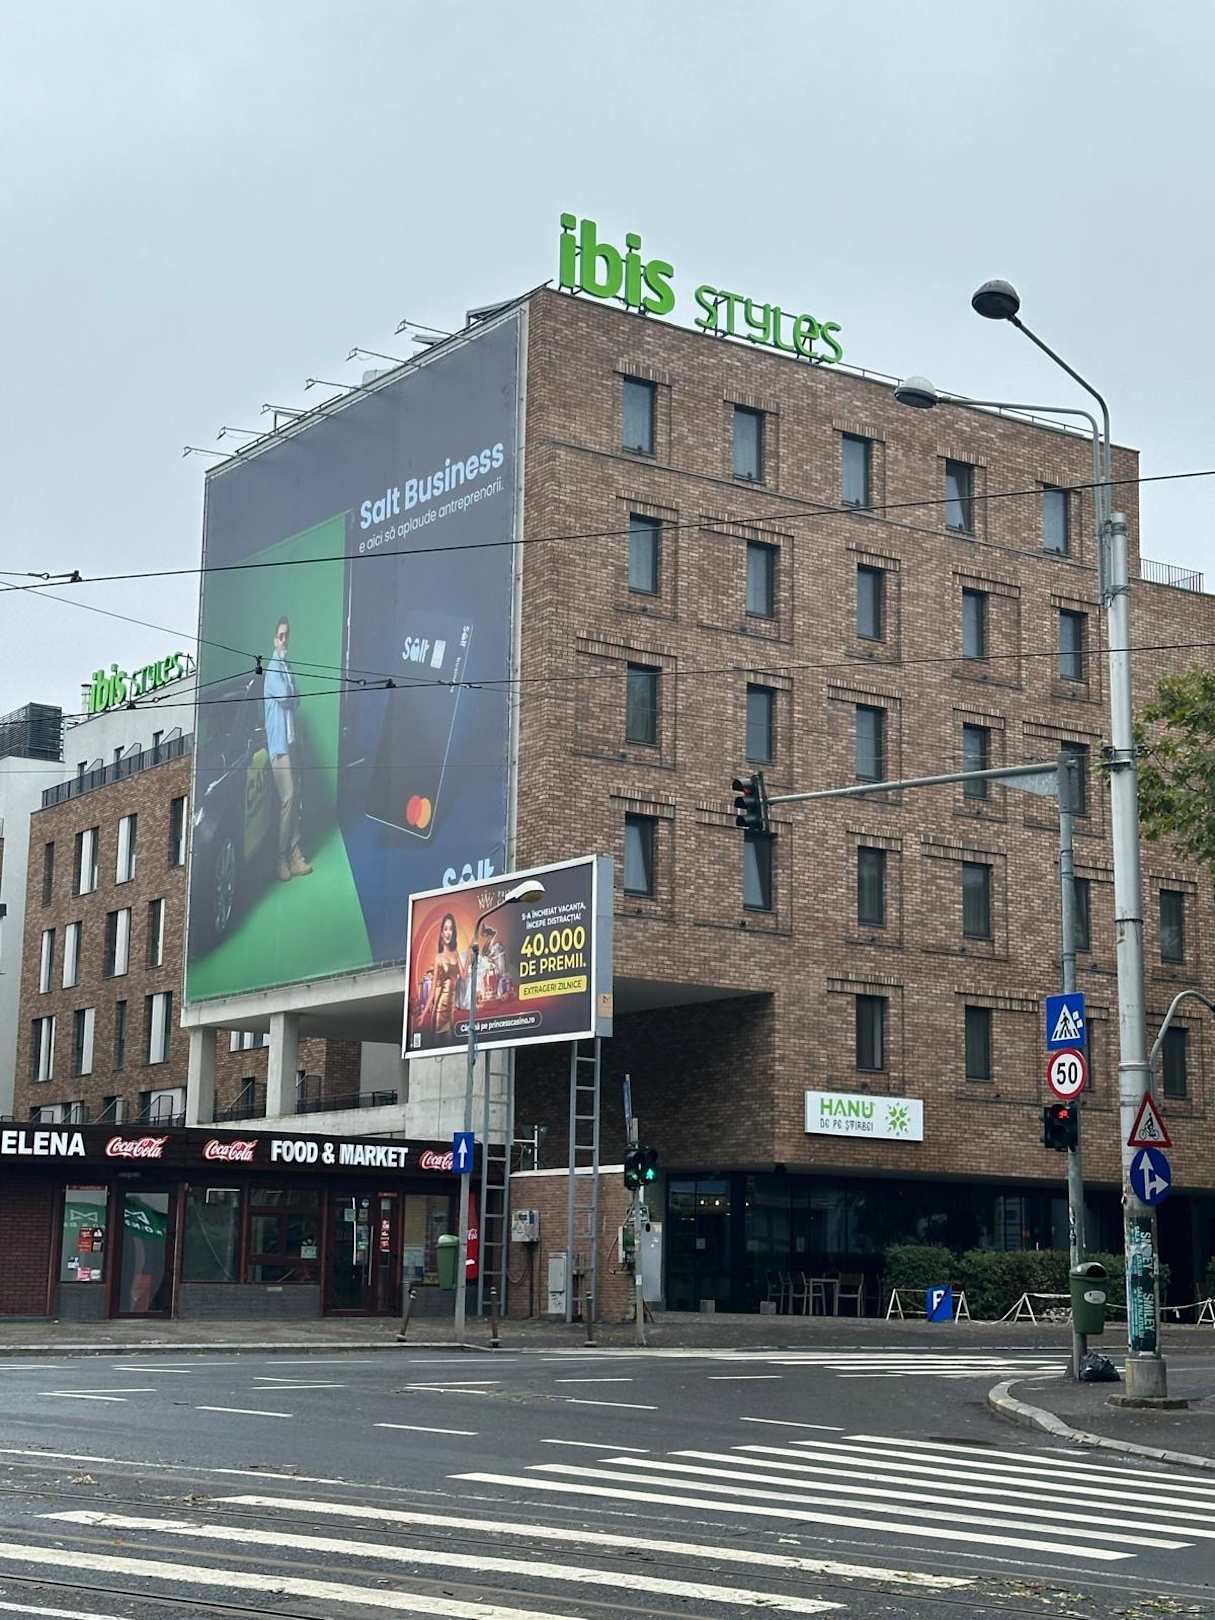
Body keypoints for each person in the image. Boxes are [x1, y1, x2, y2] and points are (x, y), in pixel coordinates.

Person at [263, 615, 312, 883]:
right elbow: (285, 696)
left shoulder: (286, 667)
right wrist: (290, 693)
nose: (284, 640)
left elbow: (297, 698)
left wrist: (291, 694)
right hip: (279, 747)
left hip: (290, 743)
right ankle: (280, 858)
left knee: (295, 798)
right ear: (274, 640)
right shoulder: (273, 669)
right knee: (288, 797)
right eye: (280, 636)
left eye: (287, 635)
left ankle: (295, 855)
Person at [429, 913, 462, 1042]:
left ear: (453, 932)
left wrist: (470, 954)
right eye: (446, 929)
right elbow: (433, 988)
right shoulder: (438, 957)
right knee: (437, 1043)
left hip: (451, 1008)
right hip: (441, 1007)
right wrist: (424, 1013)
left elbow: (463, 976)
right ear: (442, 933)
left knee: (451, 1041)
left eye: (451, 929)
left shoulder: (455, 954)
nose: (448, 932)